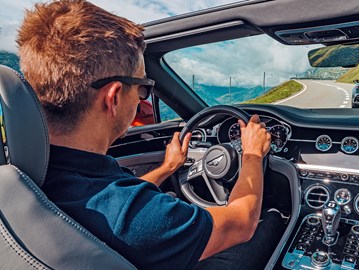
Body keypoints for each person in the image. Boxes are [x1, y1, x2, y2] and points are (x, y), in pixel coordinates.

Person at [16, 0, 284, 269]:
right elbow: (240, 225)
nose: (143, 97)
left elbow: (121, 200)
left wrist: (167, 168)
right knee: (271, 221)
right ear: (114, 97)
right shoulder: (132, 217)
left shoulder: (25, 174)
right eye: (143, 87)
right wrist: (251, 154)